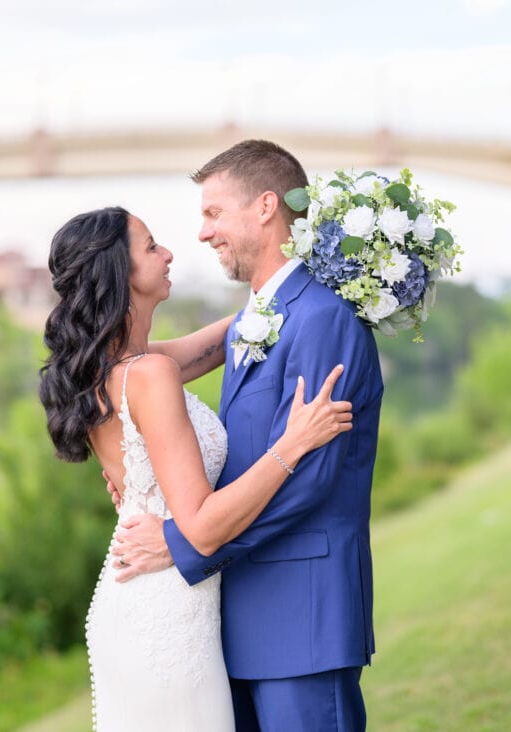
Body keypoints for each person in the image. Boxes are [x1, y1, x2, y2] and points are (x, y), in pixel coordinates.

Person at [38, 205, 353, 731]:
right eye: (151, 246)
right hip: (165, 613)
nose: (168, 254)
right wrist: (292, 445)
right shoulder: (151, 375)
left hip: (140, 597)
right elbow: (203, 527)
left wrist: (311, 280)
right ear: (120, 271)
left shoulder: (111, 370)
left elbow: (230, 337)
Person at [110, 140, 384, 731]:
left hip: (302, 618)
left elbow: (307, 481)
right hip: (235, 623)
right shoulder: (255, 321)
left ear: (265, 207)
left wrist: (182, 541)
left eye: (213, 213)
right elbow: (132, 374)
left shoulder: (322, 319)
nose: (203, 234)